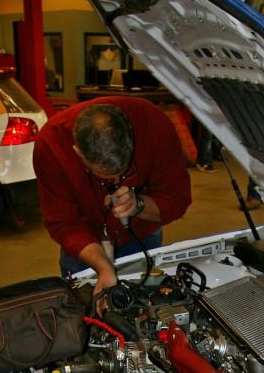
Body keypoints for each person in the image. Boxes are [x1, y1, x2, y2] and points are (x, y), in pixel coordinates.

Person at [33, 97, 191, 301]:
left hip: (141, 238)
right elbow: (64, 223)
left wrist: (139, 205)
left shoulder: (153, 126)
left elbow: (177, 198)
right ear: (78, 153)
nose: (116, 182)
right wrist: (103, 268)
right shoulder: (51, 145)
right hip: (84, 248)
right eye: (105, 176)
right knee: (83, 314)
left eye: (122, 173)